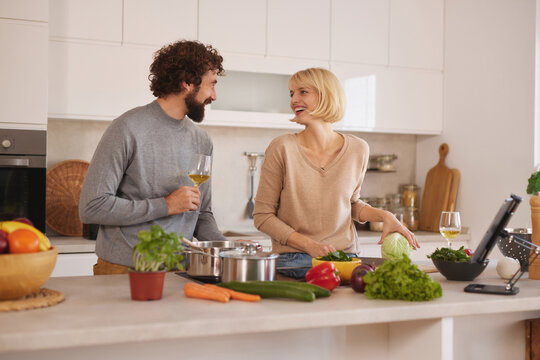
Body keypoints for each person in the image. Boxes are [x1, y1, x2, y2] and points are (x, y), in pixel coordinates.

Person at [253, 67, 419, 279]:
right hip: (295, 259)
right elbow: (262, 216)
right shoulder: (282, 147)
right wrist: (309, 245)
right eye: (291, 93)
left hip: (347, 258)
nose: (294, 100)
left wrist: (384, 215)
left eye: (303, 92)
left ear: (327, 95)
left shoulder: (359, 149)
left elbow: (350, 205)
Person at [79, 40, 226, 275]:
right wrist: (165, 205)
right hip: (123, 271)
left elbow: (202, 214)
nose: (214, 96)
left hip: (179, 272)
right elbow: (92, 207)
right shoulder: (127, 128)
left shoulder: (202, 140)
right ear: (187, 82)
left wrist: (226, 249)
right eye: (211, 85)